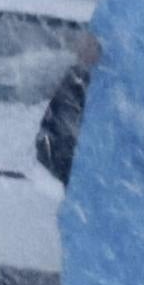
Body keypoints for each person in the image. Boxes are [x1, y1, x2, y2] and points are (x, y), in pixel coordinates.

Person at [34, 29, 100, 189]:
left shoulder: (97, 87)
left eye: (90, 43)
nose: (81, 48)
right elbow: (49, 133)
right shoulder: (73, 80)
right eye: (83, 41)